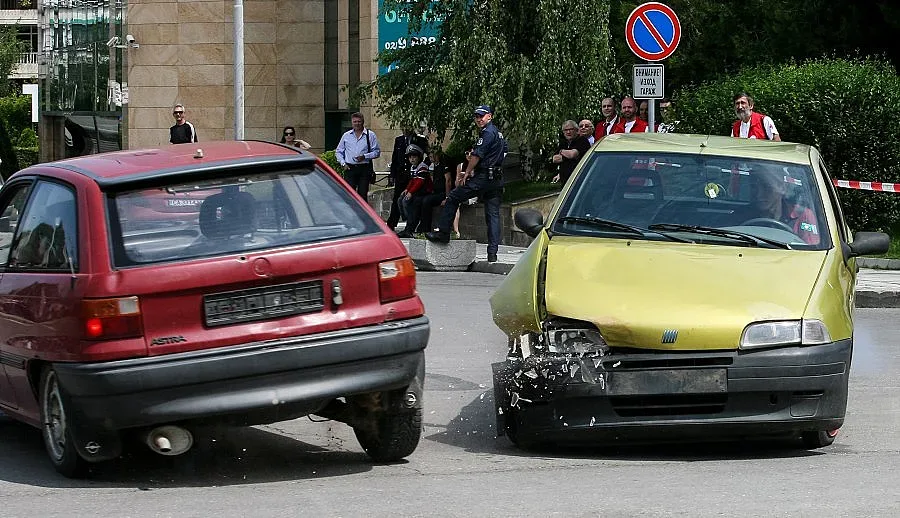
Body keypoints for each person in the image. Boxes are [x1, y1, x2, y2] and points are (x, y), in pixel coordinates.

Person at [427, 104, 507, 263]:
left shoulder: (487, 134)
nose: (478, 119)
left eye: (482, 116)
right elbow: (504, 152)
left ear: (489, 116)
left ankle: (443, 233)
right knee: (493, 215)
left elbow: (476, 156)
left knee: (454, 196)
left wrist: (468, 172)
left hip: (484, 176)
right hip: (496, 177)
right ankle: (492, 253)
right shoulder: (498, 134)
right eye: (476, 116)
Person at [746, 167, 819, 244]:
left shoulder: (802, 215)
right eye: (753, 187)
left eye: (767, 187)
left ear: (782, 188)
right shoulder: (741, 215)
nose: (759, 194)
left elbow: (811, 250)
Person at [386, 128, 428, 231]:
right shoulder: (399, 140)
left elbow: (429, 153)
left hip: (415, 173)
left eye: (407, 126)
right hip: (401, 174)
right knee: (398, 198)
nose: (405, 129)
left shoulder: (419, 139)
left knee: (411, 200)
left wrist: (423, 165)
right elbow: (395, 158)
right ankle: (392, 223)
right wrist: (392, 174)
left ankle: (410, 224)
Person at [335, 112, 381, 200]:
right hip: (350, 168)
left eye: (359, 121)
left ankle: (363, 213)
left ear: (363, 122)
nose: (357, 124)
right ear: (352, 123)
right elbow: (338, 151)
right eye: (355, 122)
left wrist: (365, 156)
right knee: (349, 194)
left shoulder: (370, 135)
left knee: (362, 195)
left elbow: (377, 152)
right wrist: (343, 163)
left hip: (364, 169)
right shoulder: (346, 136)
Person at [396, 144, 433, 238]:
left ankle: (411, 225)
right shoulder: (413, 168)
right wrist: (407, 190)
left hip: (424, 192)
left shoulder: (422, 167)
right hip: (417, 192)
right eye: (410, 157)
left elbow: (419, 182)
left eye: (414, 157)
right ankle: (408, 221)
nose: (412, 159)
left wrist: (410, 192)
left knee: (408, 202)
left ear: (419, 157)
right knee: (400, 199)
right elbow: (412, 180)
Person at [418, 148, 452, 237]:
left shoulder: (443, 164)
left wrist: (447, 197)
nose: (431, 157)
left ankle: (425, 228)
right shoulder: (434, 166)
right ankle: (421, 226)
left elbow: (448, 180)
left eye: (432, 156)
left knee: (427, 200)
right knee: (421, 200)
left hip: (443, 193)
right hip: (436, 191)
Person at [552, 120, 591, 184]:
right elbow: (555, 159)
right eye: (565, 130)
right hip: (565, 181)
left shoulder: (582, 140)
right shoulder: (563, 143)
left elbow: (572, 154)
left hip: (579, 179)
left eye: (571, 129)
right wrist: (569, 157)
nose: (568, 132)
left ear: (576, 130)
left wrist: (561, 151)